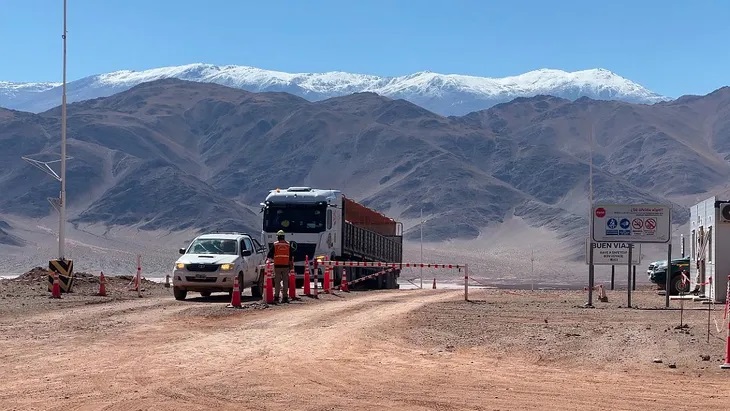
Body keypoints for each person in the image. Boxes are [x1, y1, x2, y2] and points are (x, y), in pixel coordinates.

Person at [267, 230, 294, 303]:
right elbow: (291, 256)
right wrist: (291, 265)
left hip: (277, 266)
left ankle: (276, 297)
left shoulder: (275, 244)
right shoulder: (288, 244)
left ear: (278, 237)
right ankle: (285, 297)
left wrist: (270, 261)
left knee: (277, 282)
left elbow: (269, 255)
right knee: (285, 282)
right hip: (286, 266)